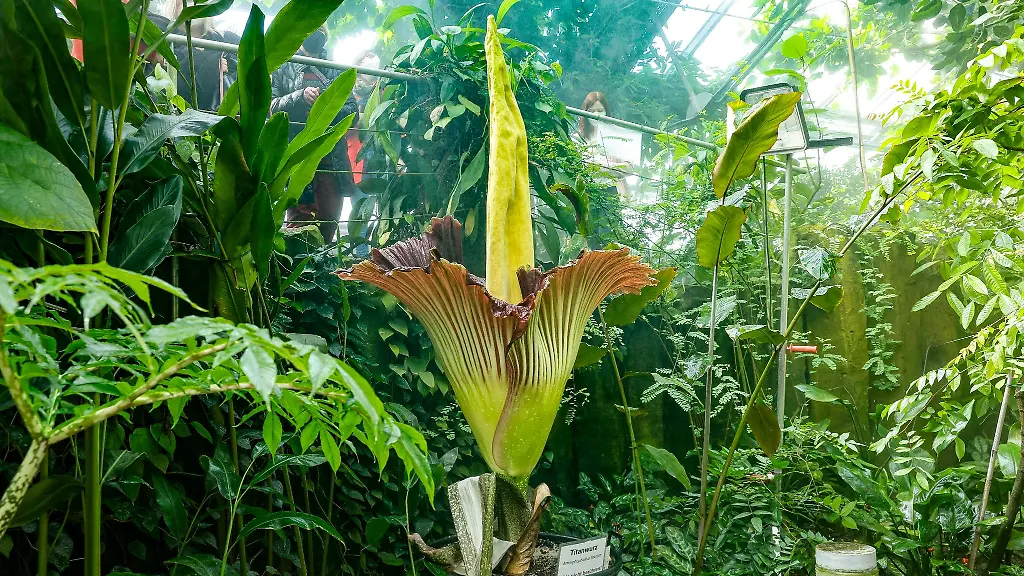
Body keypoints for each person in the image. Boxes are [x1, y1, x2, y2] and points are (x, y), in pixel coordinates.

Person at [271, 26, 360, 244]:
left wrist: (326, 105)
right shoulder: (284, 66)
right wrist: (299, 97)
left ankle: (321, 269)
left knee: (329, 219)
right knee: (297, 222)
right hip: (297, 157)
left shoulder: (335, 69)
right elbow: (272, 108)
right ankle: (298, 271)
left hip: (331, 158)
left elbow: (353, 113)